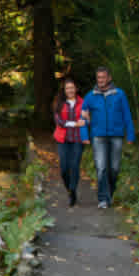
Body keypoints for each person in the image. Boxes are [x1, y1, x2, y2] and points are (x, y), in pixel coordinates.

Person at [82, 66, 135, 209]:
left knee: (114, 168)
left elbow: (127, 115)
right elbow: (83, 117)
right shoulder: (90, 96)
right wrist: (84, 135)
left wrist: (130, 134)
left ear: (109, 78)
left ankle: (109, 193)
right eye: (98, 78)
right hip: (98, 136)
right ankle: (103, 199)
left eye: (103, 77)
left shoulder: (120, 94)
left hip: (116, 135)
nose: (101, 80)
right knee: (101, 167)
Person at [52, 77, 89, 206]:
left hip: (78, 139)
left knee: (74, 165)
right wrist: (74, 123)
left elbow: (88, 119)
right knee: (63, 168)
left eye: (72, 88)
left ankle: (73, 191)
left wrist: (85, 122)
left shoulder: (83, 102)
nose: (70, 90)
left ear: (76, 89)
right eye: (67, 88)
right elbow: (59, 121)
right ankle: (68, 189)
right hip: (62, 139)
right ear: (64, 90)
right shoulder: (59, 103)